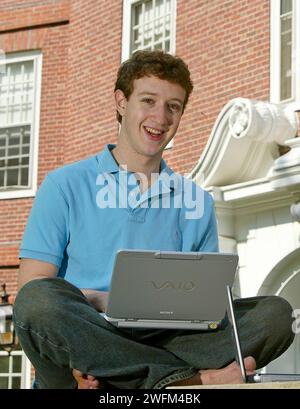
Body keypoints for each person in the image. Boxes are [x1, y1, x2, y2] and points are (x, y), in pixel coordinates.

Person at [13, 50, 294, 389]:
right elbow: (33, 287)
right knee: (37, 304)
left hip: (167, 339)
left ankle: (129, 374)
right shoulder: (64, 185)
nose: (160, 117)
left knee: (275, 315)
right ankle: (187, 380)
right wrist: (105, 300)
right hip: (86, 332)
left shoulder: (197, 202)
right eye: (148, 100)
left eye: (173, 106)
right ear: (121, 102)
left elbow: (209, 304)